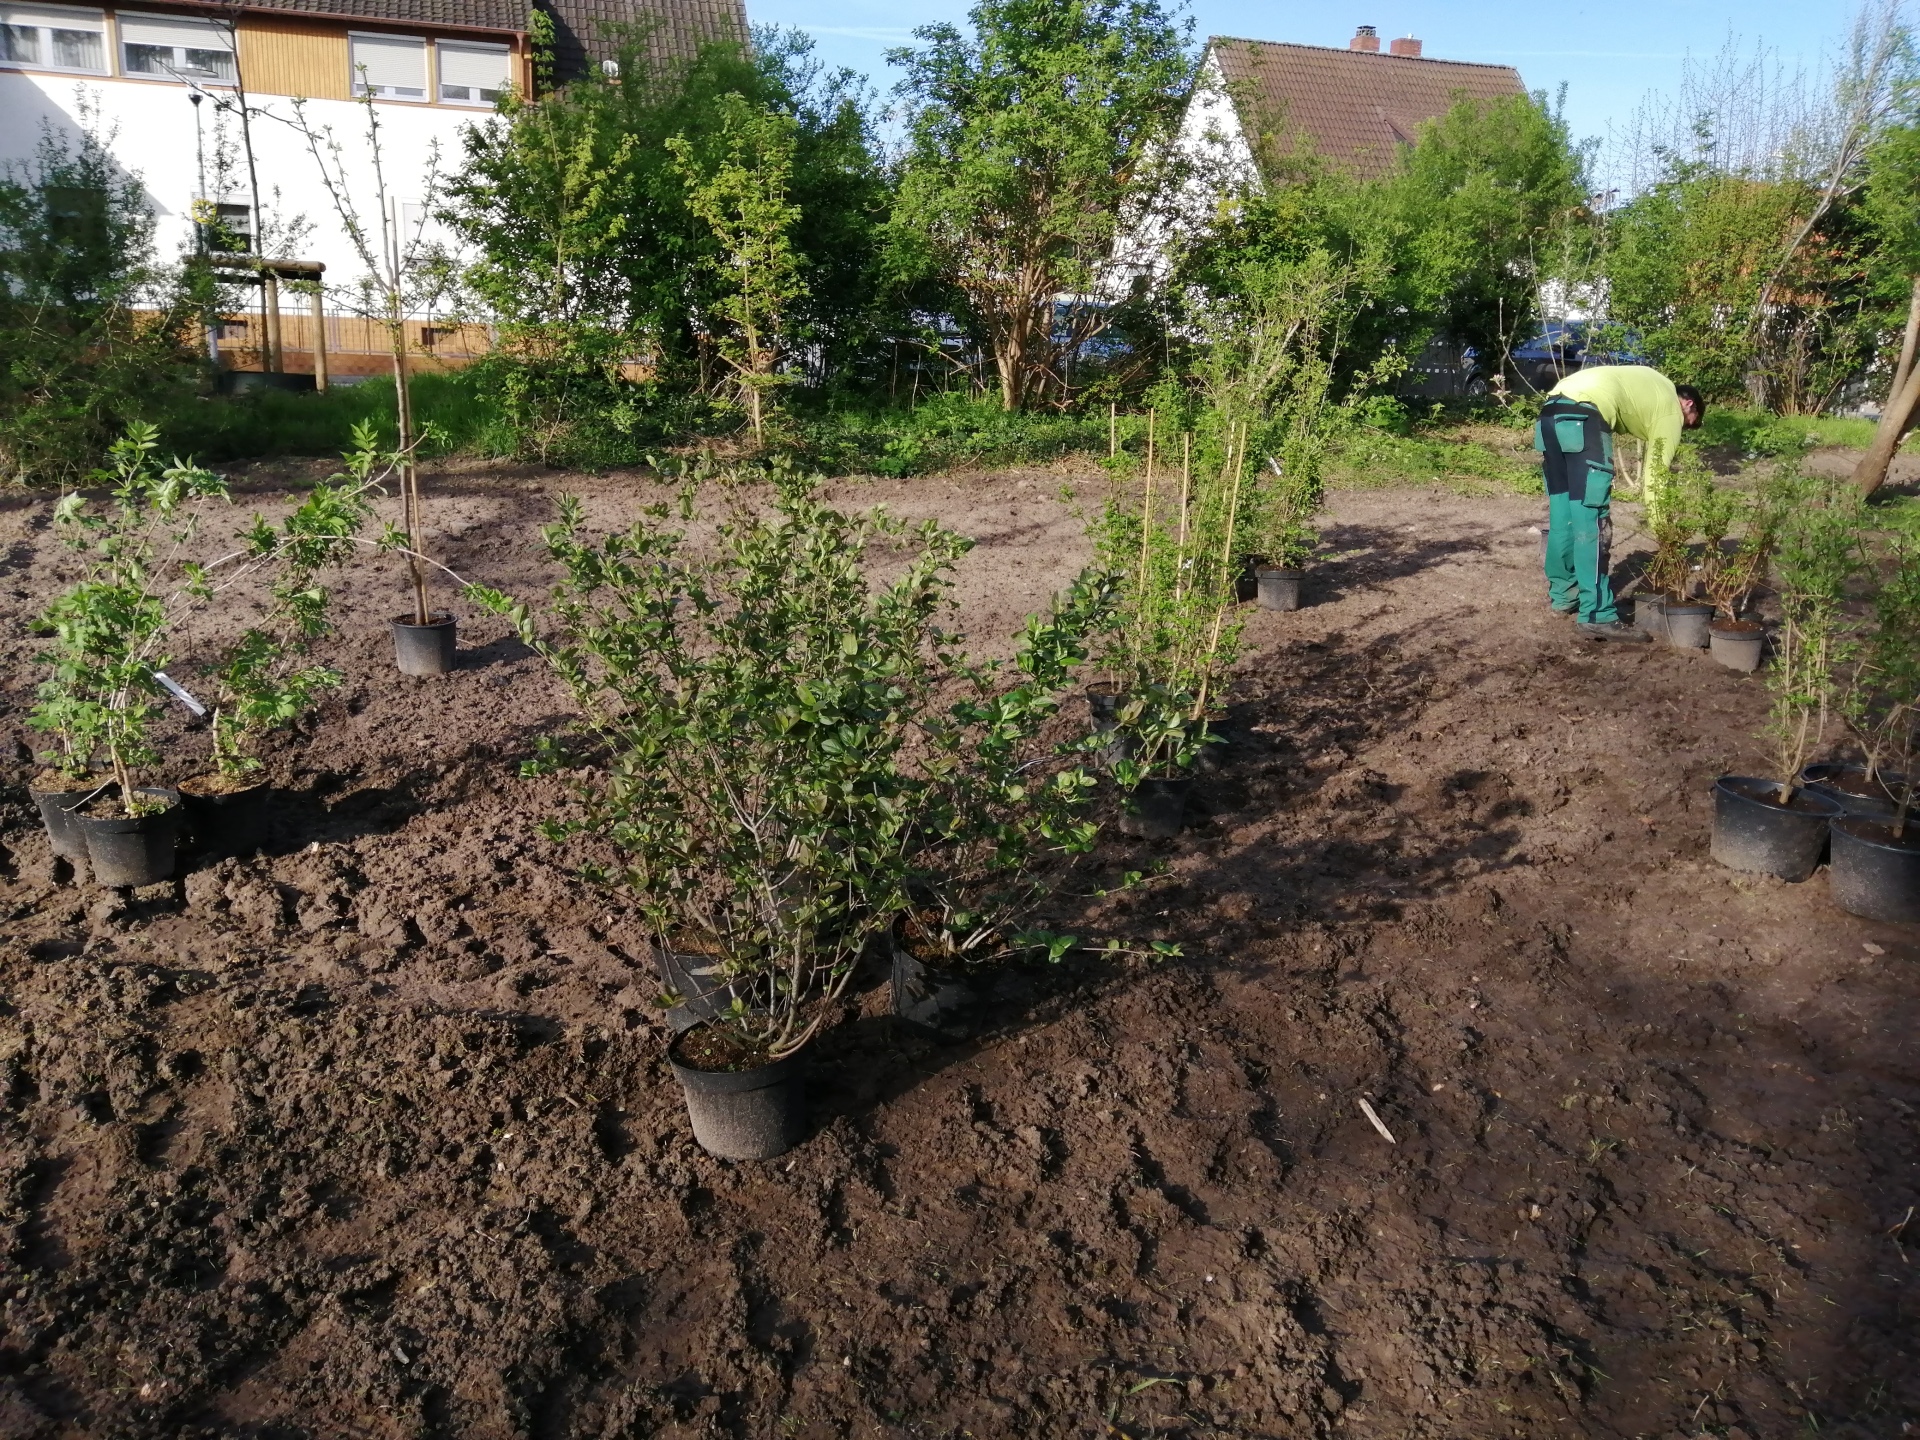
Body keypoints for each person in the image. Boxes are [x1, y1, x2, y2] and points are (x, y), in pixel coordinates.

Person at [1535, 365, 1704, 641]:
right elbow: (1656, 477)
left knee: (1564, 513)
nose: (1683, 428)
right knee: (1591, 516)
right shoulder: (1671, 408)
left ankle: (1564, 595)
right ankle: (1597, 615)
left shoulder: (1651, 385)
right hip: (1585, 416)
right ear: (1688, 404)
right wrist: (1665, 534)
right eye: (1690, 422)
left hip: (1550, 413)